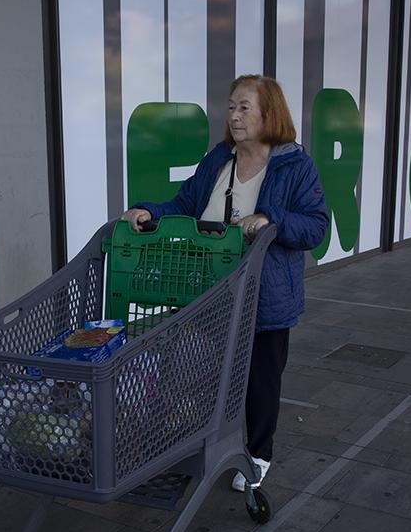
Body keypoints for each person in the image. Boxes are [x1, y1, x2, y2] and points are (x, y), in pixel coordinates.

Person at [122, 74, 327, 491]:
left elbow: (316, 226)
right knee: (204, 368)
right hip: (209, 290)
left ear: (269, 113)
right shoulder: (219, 160)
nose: (234, 116)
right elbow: (183, 203)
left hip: (264, 294)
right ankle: (202, 437)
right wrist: (147, 211)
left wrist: (272, 219)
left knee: (260, 376)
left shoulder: (293, 165)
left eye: (244, 107)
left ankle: (259, 452)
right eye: (231, 106)